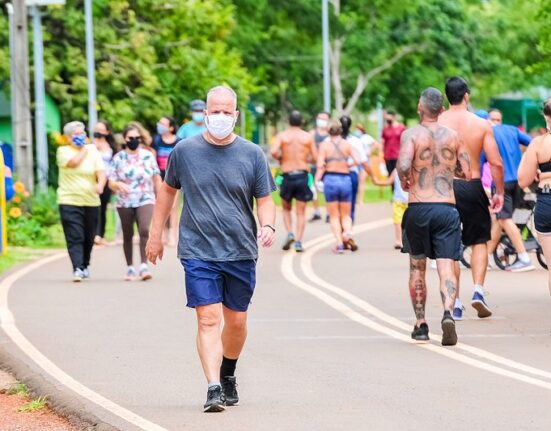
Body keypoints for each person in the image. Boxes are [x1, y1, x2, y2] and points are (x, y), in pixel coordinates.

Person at [146, 86, 276, 413]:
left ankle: (228, 370)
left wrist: (269, 225)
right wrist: (155, 234)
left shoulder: (251, 154)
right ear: (205, 113)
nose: (220, 117)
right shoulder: (185, 151)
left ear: (235, 115)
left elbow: (265, 199)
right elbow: (166, 193)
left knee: (236, 321)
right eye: (214, 111)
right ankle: (213, 386)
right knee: (207, 319)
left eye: (226, 111)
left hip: (240, 250)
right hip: (197, 249)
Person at [398, 87, 471, 346]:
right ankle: (448, 312)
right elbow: (468, 172)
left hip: (419, 207)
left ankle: (420, 325)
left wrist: (405, 179)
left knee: (417, 266)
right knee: (446, 265)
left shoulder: (411, 135)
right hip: (446, 208)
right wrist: (447, 172)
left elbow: (404, 164)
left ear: (420, 107)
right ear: (441, 110)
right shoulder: (454, 137)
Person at [439, 76, 504, 320]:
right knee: (478, 240)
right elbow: (496, 162)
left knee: (450, 246)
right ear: (466, 95)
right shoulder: (480, 124)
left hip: (444, 187)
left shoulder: (437, 123)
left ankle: (454, 303)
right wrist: (499, 192)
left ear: (447, 96)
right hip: (472, 184)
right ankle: (477, 290)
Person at [109, 123, 161, 281]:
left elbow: (156, 177)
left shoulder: (148, 155)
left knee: (144, 229)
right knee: (128, 234)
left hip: (145, 197)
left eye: (137, 138)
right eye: (131, 138)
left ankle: (144, 266)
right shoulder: (118, 158)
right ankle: (130, 267)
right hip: (125, 200)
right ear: (125, 139)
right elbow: (110, 181)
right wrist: (118, 185)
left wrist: (160, 197)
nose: (134, 140)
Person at [485, 109, 534, 272]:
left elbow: (479, 162)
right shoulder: (513, 130)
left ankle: (524, 257)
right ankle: (485, 258)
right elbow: (532, 143)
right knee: (501, 219)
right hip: (519, 181)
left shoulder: (487, 134)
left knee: (504, 219)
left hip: (502, 182)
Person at [57, 121, 106, 282]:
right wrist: (85, 148)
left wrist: (100, 184)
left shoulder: (93, 151)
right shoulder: (63, 151)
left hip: (91, 201)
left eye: (82, 133)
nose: (80, 136)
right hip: (69, 199)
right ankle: (77, 268)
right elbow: (73, 163)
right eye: (76, 134)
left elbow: (101, 171)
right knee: (75, 235)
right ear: (68, 137)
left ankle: (84, 265)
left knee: (89, 236)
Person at [271, 110, 316, 252]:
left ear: (288, 121)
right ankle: (298, 241)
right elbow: (315, 157)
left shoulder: (283, 136)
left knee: (286, 208)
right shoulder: (307, 137)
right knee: (301, 212)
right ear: (301, 122)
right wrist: (304, 159)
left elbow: (273, 151)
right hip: (302, 175)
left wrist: (281, 158)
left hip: (287, 175)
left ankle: (290, 232)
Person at [518, 99, 551, 295]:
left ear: (546, 118)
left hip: (546, 202)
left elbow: (523, 180)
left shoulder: (538, 144)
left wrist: (545, 174)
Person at [314, 120, 359, 253]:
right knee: (346, 215)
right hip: (345, 179)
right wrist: (346, 166)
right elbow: (357, 160)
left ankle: (339, 243)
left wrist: (316, 181)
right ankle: (348, 232)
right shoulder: (347, 144)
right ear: (340, 130)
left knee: (334, 215)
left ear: (328, 131)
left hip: (331, 180)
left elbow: (320, 165)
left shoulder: (324, 146)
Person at [341, 116, 376, 223]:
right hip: (351, 174)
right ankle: (348, 230)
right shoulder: (355, 141)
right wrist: (373, 177)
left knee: (336, 207)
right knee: (350, 205)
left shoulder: (330, 140)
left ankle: (340, 231)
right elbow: (363, 161)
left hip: (334, 175)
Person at [153, 116, 180, 247]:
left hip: (175, 178)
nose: (160, 125)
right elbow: (153, 160)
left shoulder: (179, 142)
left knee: (173, 207)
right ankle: (162, 235)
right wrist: (156, 177)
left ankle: (173, 235)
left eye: (163, 124)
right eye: (160, 123)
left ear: (171, 127)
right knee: (161, 205)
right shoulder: (156, 141)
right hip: (160, 177)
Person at [93, 120, 118, 245]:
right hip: (93, 180)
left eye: (102, 130)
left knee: (102, 208)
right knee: (93, 208)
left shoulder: (112, 146)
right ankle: (92, 234)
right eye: (97, 129)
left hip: (107, 181)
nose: (99, 132)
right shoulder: (91, 145)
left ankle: (100, 234)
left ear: (107, 132)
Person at [373, 169, 408, 249]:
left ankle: (399, 241)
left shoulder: (396, 170)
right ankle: (402, 241)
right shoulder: (414, 168)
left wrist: (377, 182)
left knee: (398, 221)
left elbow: (388, 181)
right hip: (409, 200)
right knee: (404, 222)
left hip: (399, 200)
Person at [309, 111, 330, 222]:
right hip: (313, 166)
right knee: (313, 189)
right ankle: (316, 211)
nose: (321, 120)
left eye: (324, 118)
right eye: (320, 118)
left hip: (327, 167)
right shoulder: (312, 133)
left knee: (327, 190)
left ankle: (328, 213)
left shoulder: (330, 134)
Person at [353, 123, 381, 204]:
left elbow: (376, 144)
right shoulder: (354, 138)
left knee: (362, 180)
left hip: (365, 161)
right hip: (356, 161)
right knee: (355, 180)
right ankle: (354, 198)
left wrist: (370, 151)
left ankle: (360, 200)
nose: (357, 131)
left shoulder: (366, 138)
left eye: (358, 129)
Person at [382, 110, 406, 185]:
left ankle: (401, 195)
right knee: (391, 177)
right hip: (388, 157)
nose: (387, 120)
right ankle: (394, 194)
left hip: (398, 156)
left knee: (399, 176)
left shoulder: (401, 128)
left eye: (389, 118)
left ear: (394, 117)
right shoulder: (385, 130)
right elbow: (383, 142)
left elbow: (406, 141)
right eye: (386, 119)